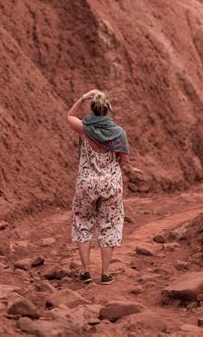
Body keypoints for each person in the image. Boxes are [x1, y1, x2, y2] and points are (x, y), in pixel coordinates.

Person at [67, 89, 129, 285]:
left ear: (92, 108)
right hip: (111, 184)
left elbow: (69, 115)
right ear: (108, 108)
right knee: (109, 226)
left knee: (83, 222)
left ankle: (85, 272)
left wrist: (83, 97)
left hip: (86, 183)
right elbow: (124, 161)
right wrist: (110, 172)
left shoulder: (84, 128)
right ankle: (105, 273)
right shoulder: (118, 132)